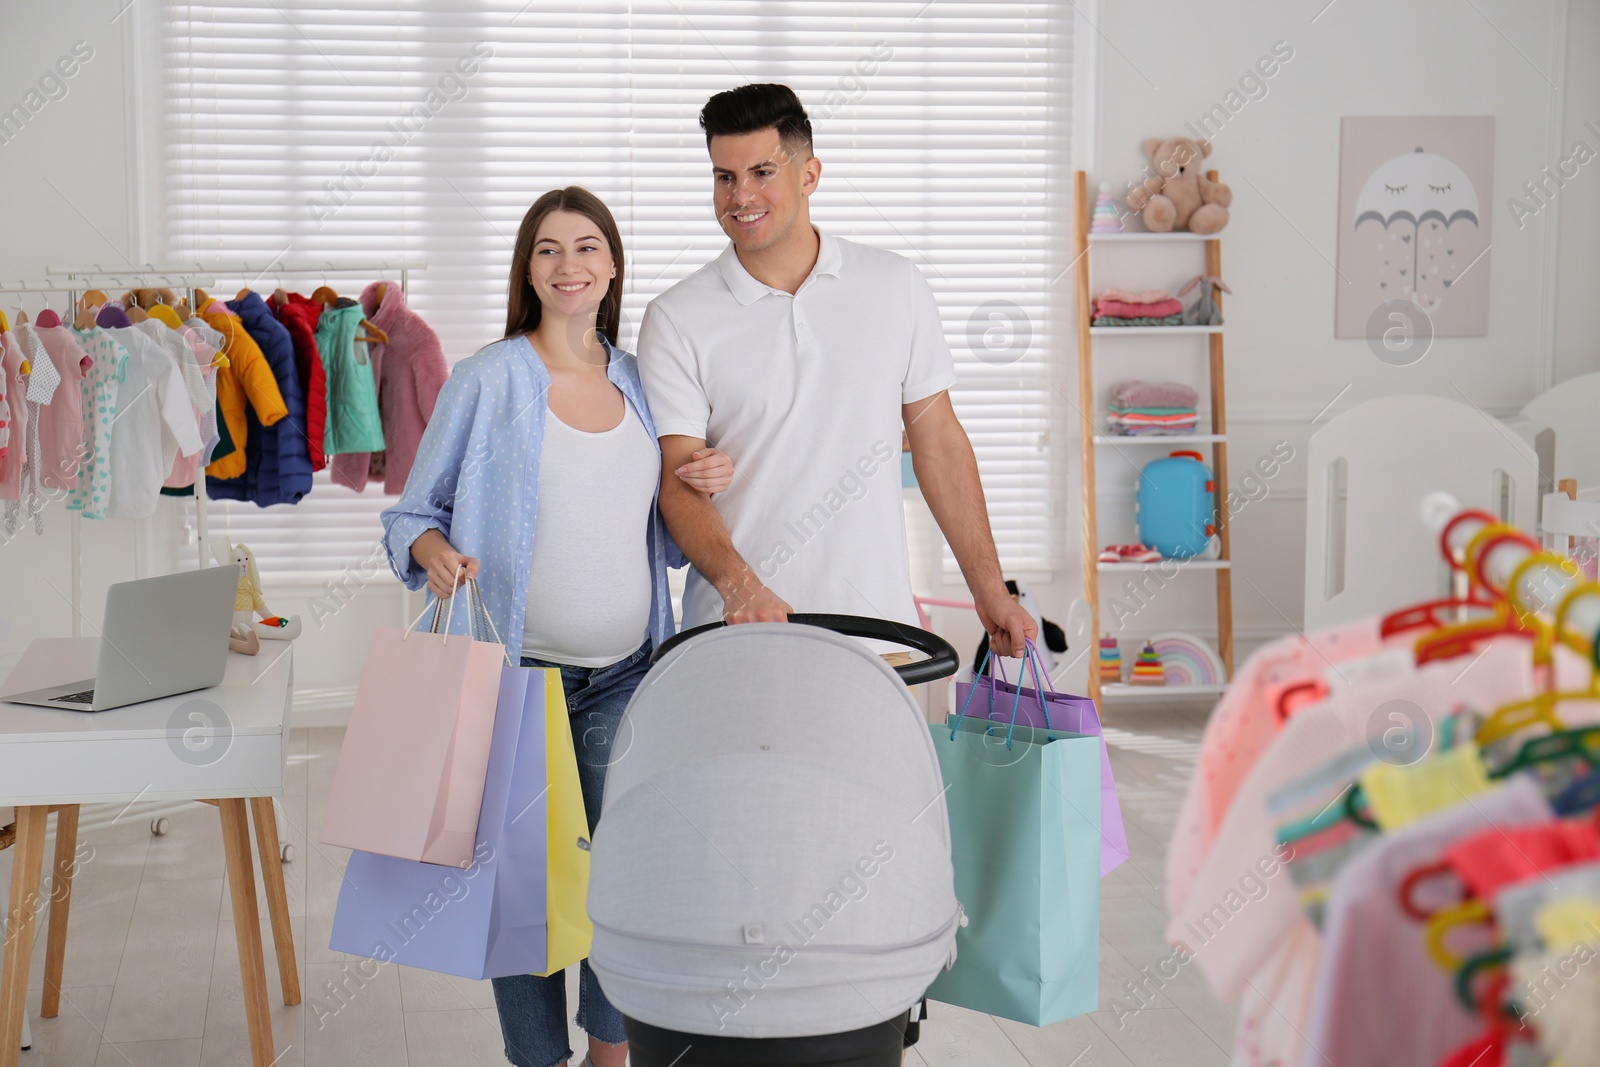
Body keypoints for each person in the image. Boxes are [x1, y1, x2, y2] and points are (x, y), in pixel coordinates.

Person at [635, 82, 1038, 1056]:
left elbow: (935, 435)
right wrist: (736, 578)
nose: (740, 194)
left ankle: (873, 1033)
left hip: (876, 646)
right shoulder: (680, 315)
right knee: (751, 870)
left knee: (872, 863)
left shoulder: (893, 287)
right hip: (736, 647)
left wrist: (991, 588)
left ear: (809, 172)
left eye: (761, 170)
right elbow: (675, 482)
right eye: (723, 176)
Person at [380, 186, 734, 1067]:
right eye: (547, 249)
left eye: (585, 247)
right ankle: (539, 1060)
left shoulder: (644, 382)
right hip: (516, 678)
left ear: (612, 265)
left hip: (629, 670)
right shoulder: (488, 380)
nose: (567, 264)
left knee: (622, 874)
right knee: (525, 886)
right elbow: (409, 513)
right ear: (527, 269)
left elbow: (662, 520)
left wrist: (706, 480)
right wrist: (430, 550)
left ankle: (610, 1051)